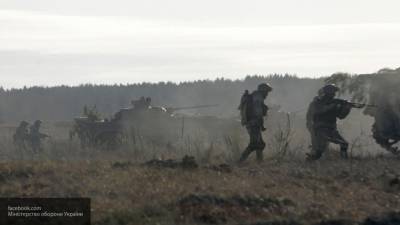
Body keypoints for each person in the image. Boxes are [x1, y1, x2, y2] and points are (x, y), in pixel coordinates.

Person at [306, 84, 352, 160]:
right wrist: (331, 106)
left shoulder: (334, 103)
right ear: (327, 93)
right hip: (321, 129)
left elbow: (341, 116)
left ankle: (344, 162)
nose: (334, 95)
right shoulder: (317, 102)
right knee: (319, 150)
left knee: (344, 144)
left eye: (334, 93)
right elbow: (318, 111)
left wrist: (347, 108)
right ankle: (310, 161)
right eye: (332, 93)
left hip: (332, 129)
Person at [238, 83, 272, 163]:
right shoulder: (258, 97)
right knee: (254, 144)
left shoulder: (255, 96)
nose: (267, 94)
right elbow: (258, 113)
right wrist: (261, 123)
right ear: (263, 91)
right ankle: (240, 161)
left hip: (253, 124)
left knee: (260, 144)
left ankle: (259, 162)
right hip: (254, 124)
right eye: (266, 92)